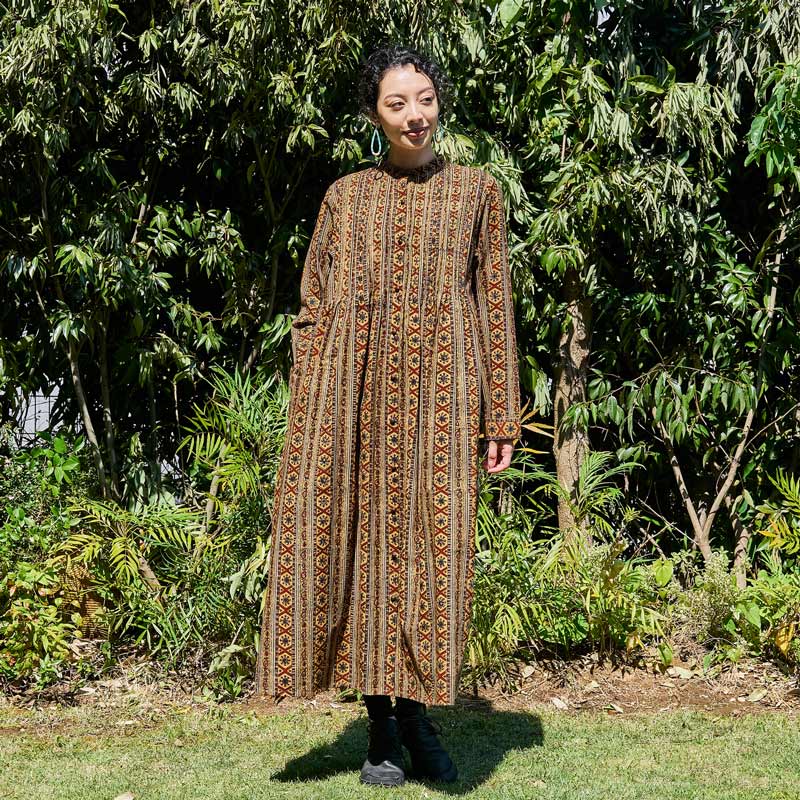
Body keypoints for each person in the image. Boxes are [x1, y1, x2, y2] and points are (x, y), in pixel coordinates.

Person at [255, 45, 521, 788]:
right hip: (352, 399)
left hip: (442, 400)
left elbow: (494, 304)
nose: (415, 115)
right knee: (356, 555)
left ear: (440, 102)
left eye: (425, 98)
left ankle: (417, 718)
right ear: (374, 115)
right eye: (397, 103)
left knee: (432, 554)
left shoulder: (477, 192)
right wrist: (311, 398)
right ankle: (382, 727)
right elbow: (314, 301)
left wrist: (501, 415)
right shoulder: (346, 196)